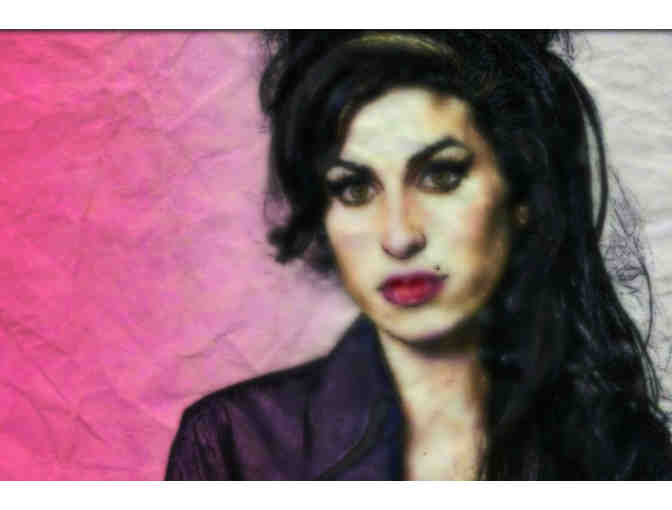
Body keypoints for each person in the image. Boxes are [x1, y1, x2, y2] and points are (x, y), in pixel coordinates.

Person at [165, 30, 672, 480]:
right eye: (355, 189)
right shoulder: (233, 449)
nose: (399, 236)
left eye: (440, 176)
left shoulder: (626, 458)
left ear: (522, 194)